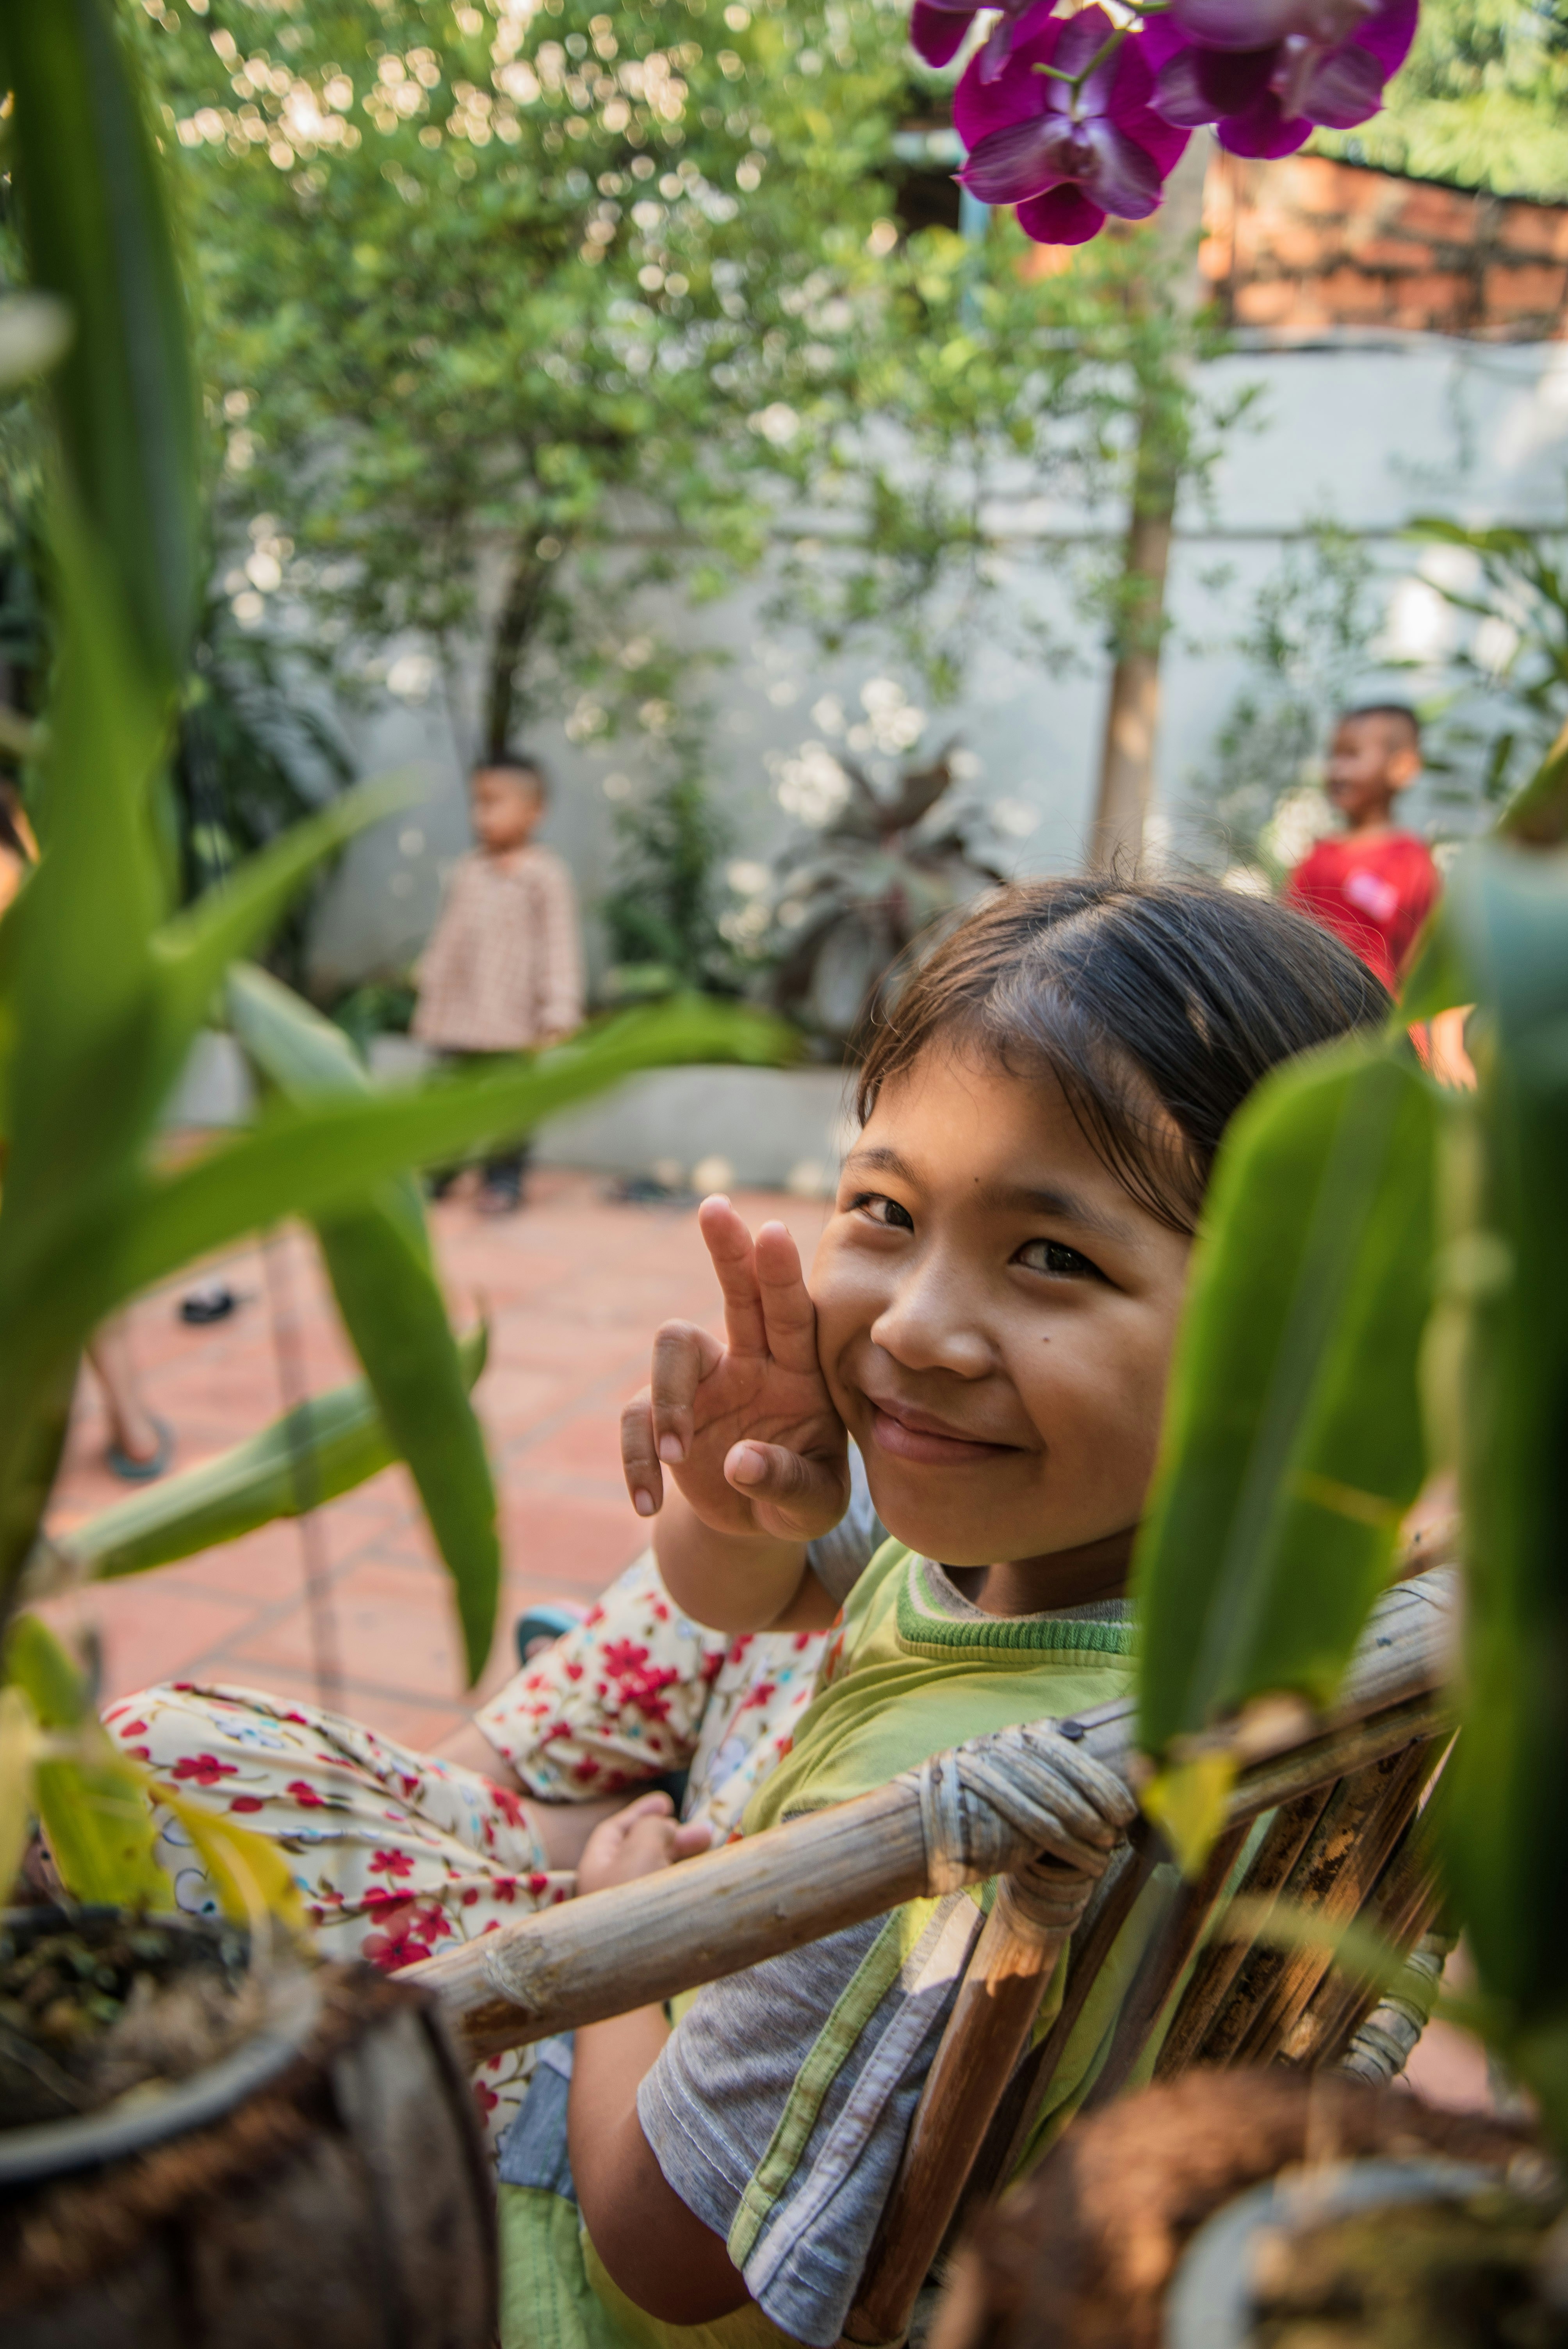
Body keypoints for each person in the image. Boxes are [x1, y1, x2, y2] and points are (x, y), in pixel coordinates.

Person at [499, 876, 1391, 2349]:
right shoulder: (1155, 1554)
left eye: (1054, 1253)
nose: (911, 1323)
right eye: (886, 1209)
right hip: (786, 1980)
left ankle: (539, 1795)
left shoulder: (928, 1825)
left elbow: (663, 2246)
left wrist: (614, 1940)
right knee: (646, 1645)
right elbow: (771, 1581)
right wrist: (731, 1505)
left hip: (612, 2262)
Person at [412, 752, 584, 1213]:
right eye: (477, 804)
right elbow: (449, 934)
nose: (481, 815)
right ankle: (437, 1169)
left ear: (534, 811)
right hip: (461, 1014)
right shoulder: (469, 870)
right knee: (446, 1096)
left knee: (512, 1104)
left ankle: (504, 1180)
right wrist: (429, 977)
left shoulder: (544, 875)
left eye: (494, 803)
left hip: (513, 1019)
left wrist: (559, 1008)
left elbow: (559, 945)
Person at [1285, 704, 1440, 991]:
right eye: (1334, 756)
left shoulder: (1412, 863)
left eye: (1352, 756)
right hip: (1316, 1018)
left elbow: (1428, 968)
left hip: (1382, 1027)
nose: (1337, 770)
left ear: (1402, 768)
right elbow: (1286, 942)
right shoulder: (1317, 859)